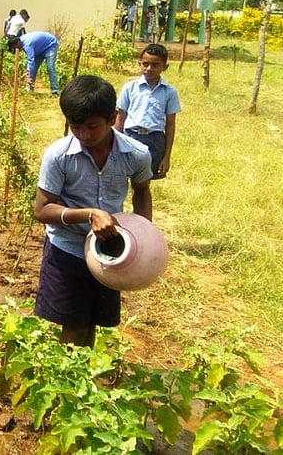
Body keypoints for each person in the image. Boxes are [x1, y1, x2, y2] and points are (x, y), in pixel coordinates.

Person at [33, 75, 153, 347]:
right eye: (75, 127)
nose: (84, 135)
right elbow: (41, 209)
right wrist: (90, 214)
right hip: (68, 250)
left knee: (92, 323)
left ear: (112, 118)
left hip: (109, 253)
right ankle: (65, 384)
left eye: (92, 126)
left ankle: (84, 381)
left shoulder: (136, 154)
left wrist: (143, 234)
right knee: (73, 326)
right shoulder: (58, 155)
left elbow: (142, 190)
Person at [114, 43, 181, 180]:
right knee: (121, 176)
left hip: (155, 140)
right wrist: (114, 144)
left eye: (155, 65)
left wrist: (166, 156)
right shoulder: (130, 88)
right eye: (145, 64)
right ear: (139, 64)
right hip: (130, 137)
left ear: (165, 67)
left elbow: (170, 125)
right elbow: (120, 118)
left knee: (143, 182)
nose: (149, 68)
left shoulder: (170, 92)